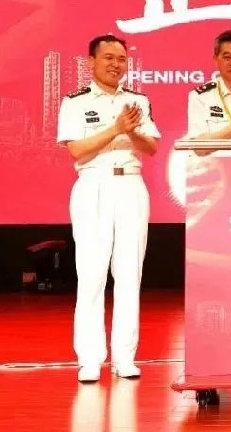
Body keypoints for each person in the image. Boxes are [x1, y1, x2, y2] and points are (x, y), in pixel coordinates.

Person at [57, 34, 160, 383]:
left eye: (121, 59)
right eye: (109, 58)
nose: (116, 64)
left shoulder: (138, 101)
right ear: (92, 62)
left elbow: (151, 148)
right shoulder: (75, 102)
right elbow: (77, 150)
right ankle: (89, 359)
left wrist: (132, 132)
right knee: (92, 274)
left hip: (131, 185)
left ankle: (125, 357)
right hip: (93, 185)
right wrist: (116, 129)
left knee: (129, 274)